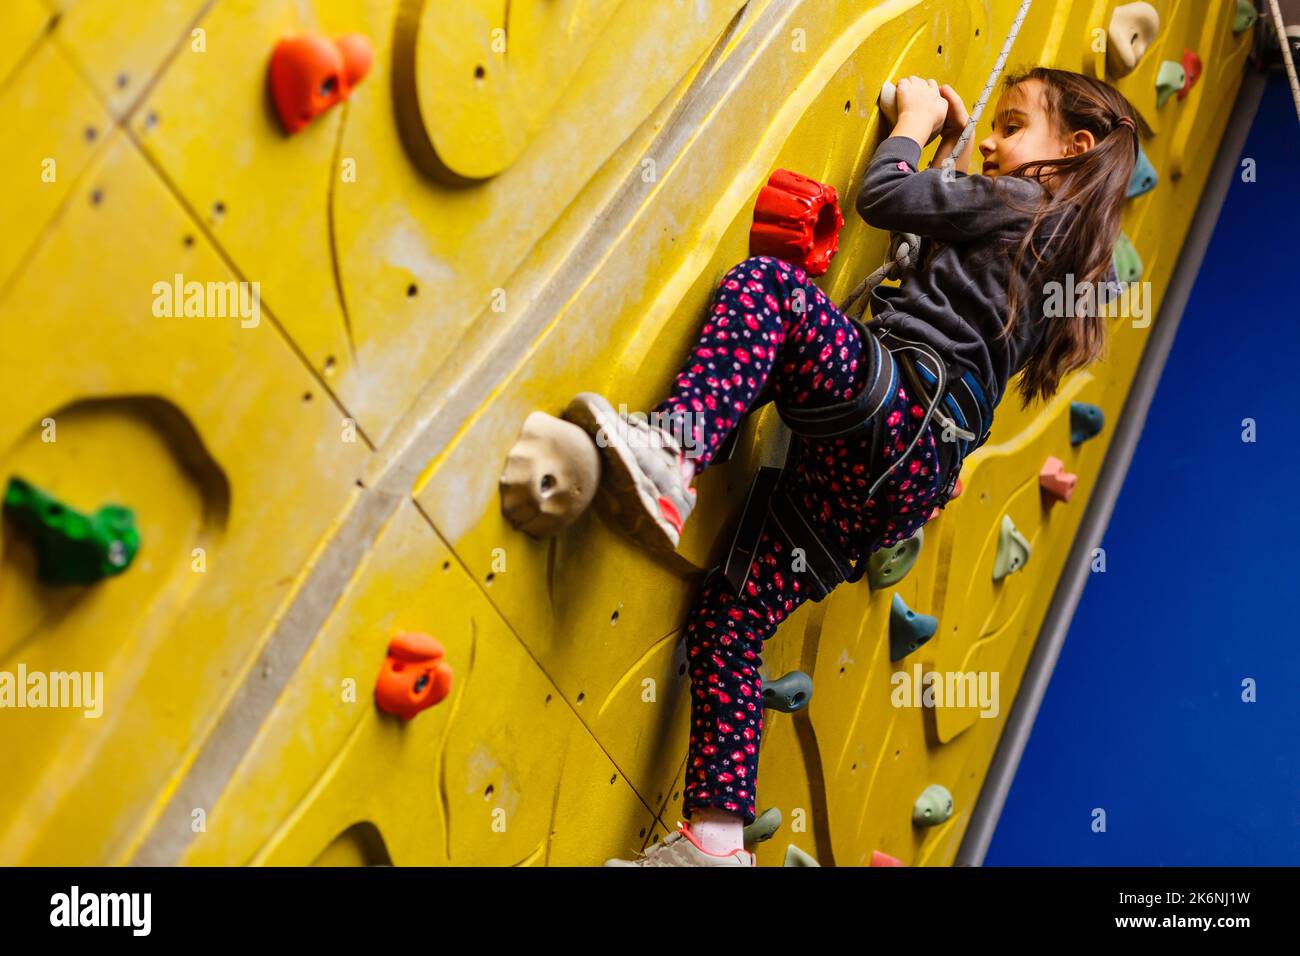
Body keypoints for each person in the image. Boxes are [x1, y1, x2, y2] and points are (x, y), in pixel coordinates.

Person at [564, 67, 1139, 866]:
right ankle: (718, 843)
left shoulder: (1023, 203)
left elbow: (884, 194)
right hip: (896, 485)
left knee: (772, 293)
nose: (995, 146)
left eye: (1012, 126)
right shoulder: (1062, 261)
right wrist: (962, 153)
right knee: (734, 617)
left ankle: (675, 448)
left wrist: (916, 118)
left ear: (1073, 151)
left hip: (891, 409)